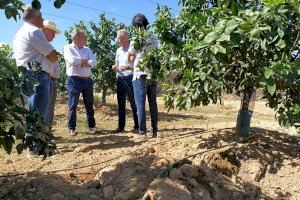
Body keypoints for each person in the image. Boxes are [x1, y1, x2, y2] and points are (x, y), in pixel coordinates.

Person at [13, 5, 60, 156]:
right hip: (37, 75)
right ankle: (34, 148)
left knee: (34, 110)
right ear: (35, 17)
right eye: (41, 16)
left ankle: (35, 145)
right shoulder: (33, 31)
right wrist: (53, 54)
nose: (43, 19)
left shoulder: (20, 32)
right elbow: (53, 56)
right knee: (38, 112)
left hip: (28, 75)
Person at [128, 13, 159, 138]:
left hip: (140, 74)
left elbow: (130, 57)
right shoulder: (153, 37)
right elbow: (156, 54)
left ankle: (142, 132)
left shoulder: (136, 39)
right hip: (152, 73)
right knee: (153, 103)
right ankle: (154, 131)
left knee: (140, 104)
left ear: (135, 25)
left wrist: (135, 56)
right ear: (146, 24)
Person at [63, 28, 99, 136]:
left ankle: (92, 126)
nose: (85, 39)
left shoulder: (87, 49)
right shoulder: (67, 47)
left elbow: (94, 61)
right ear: (76, 38)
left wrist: (81, 62)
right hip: (74, 80)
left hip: (87, 80)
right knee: (73, 104)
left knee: (89, 104)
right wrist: (84, 61)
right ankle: (71, 128)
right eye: (84, 37)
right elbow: (72, 60)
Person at [112, 29, 139, 133]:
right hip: (120, 78)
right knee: (121, 104)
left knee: (133, 103)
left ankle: (137, 126)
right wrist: (115, 68)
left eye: (119, 38)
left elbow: (137, 66)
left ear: (125, 38)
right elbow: (116, 63)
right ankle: (121, 127)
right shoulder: (118, 50)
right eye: (117, 38)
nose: (118, 40)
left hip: (130, 78)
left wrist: (127, 68)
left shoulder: (132, 49)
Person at [41, 20, 62, 126]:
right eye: (52, 32)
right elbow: (53, 59)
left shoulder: (50, 47)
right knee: (43, 106)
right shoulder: (40, 43)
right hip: (44, 77)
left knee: (50, 105)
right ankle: (42, 133)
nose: (54, 36)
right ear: (44, 30)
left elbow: (55, 62)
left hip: (51, 78)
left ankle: (47, 131)